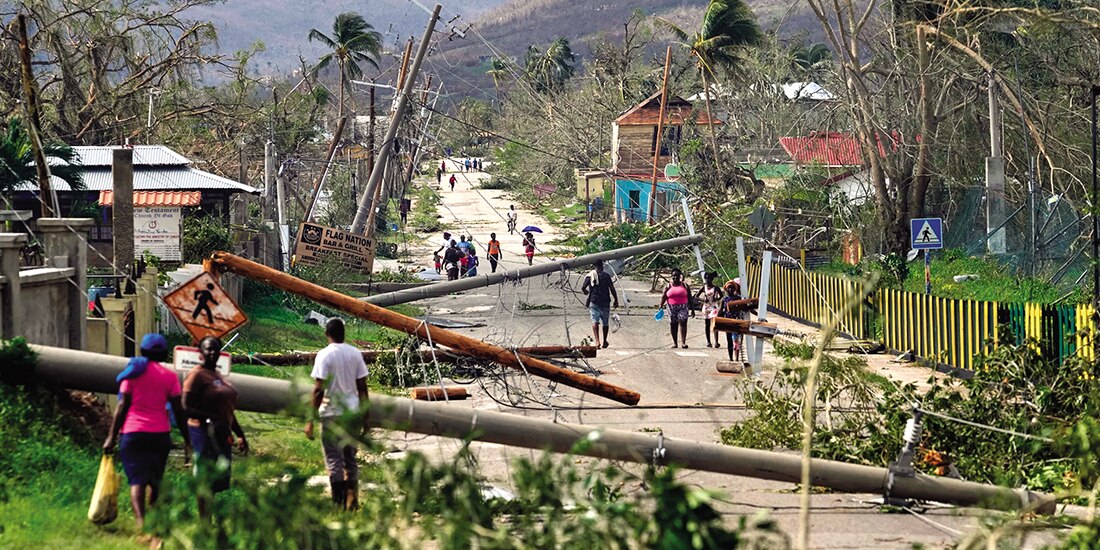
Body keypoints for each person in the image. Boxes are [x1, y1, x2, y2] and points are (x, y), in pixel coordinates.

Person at [103, 333, 190, 530]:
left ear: (142, 351)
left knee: (137, 481)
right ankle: (153, 521)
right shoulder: (169, 377)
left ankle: (141, 523)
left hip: (133, 434)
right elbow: (179, 410)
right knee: (155, 480)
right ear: (164, 354)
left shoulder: (132, 372)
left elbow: (122, 406)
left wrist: (111, 437)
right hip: (159, 435)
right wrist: (187, 439)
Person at [305, 319, 369, 510]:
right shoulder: (355, 354)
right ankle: (353, 502)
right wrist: (366, 417)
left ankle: (339, 504)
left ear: (327, 333)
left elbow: (318, 390)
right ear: (344, 334)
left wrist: (310, 419)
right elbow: (363, 389)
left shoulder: (324, 355)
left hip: (332, 414)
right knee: (350, 459)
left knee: (334, 460)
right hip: (352, 413)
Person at [182, 336, 247, 517]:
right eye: (207, 349)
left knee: (218, 480)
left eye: (215, 349)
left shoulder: (217, 375)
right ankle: (204, 521)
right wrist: (210, 418)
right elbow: (186, 407)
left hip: (222, 432)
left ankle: (212, 516)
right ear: (200, 353)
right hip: (203, 432)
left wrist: (241, 434)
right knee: (205, 477)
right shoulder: (196, 375)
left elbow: (227, 411)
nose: (211, 353)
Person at [581, 259, 619, 348]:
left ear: (594, 266)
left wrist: (586, 291)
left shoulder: (590, 276)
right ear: (602, 266)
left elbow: (583, 287)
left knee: (595, 321)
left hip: (594, 301)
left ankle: (597, 341)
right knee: (605, 323)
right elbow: (612, 289)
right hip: (605, 301)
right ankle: (604, 341)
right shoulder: (606, 276)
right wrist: (616, 300)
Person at [659, 268, 692, 348]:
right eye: (673, 276)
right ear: (671, 276)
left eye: (677, 276)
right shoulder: (668, 286)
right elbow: (664, 296)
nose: (675, 277)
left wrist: (692, 309)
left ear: (680, 276)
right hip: (671, 307)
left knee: (683, 323)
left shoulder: (684, 285)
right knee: (673, 324)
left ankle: (683, 342)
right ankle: (675, 343)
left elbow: (690, 297)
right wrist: (660, 306)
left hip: (683, 307)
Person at [694, 272, 724, 348]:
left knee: (714, 324)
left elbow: (721, 296)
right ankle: (708, 342)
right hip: (706, 307)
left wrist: (716, 299)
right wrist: (703, 300)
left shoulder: (716, 288)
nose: (707, 280)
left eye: (709, 279)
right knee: (707, 324)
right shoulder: (703, 288)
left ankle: (716, 342)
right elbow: (696, 296)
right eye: (706, 279)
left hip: (714, 307)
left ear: (712, 279)